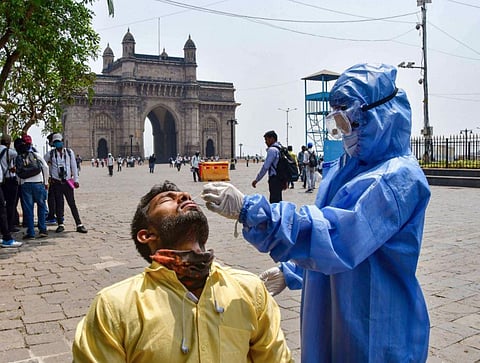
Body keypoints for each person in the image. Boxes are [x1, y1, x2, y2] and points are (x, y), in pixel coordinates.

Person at [202, 63, 431, 362]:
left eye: (347, 123)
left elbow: (338, 236)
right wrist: (293, 270)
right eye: (336, 122)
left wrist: (254, 212)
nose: (343, 134)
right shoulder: (345, 168)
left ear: (378, 117)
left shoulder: (396, 178)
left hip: (375, 319)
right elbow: (322, 227)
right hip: (334, 314)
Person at [72, 181, 293, 362]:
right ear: (146, 235)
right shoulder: (114, 307)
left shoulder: (250, 290)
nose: (185, 196)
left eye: (185, 195)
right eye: (167, 199)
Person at [44, 133, 87, 234]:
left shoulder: (69, 152)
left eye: (59, 141)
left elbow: (74, 166)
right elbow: (43, 164)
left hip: (68, 181)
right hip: (56, 182)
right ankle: (60, 224)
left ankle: (79, 224)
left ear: (62, 142)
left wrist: (76, 180)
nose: (58, 144)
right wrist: (48, 176)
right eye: (56, 142)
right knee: (59, 204)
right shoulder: (50, 154)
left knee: (72, 203)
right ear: (54, 143)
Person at [15, 135, 49, 241]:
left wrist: (20, 182)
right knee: (41, 206)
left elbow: (18, 173)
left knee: (28, 209)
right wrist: (46, 182)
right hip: (38, 183)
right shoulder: (36, 154)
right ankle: (43, 229)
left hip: (25, 185)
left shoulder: (19, 156)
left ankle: (31, 232)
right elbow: (46, 167)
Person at [251, 130, 285, 203]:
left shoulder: (272, 150)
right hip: (280, 179)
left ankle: (275, 214)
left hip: (274, 179)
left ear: (272, 139)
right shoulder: (280, 148)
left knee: (274, 202)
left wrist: (257, 179)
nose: (265, 142)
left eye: (266, 139)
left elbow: (265, 167)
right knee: (278, 201)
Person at [0, 134, 20, 233]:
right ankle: (10, 225)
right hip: (10, 180)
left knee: (2, 205)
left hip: (1, 181)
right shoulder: (9, 152)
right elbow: (16, 154)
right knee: (11, 204)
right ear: (8, 142)